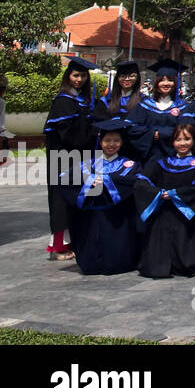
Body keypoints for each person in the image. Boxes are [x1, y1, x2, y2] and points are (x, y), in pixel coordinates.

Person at [58, 118, 143, 275]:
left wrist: (107, 181)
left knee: (116, 249)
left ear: (122, 142)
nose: (112, 144)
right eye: (107, 140)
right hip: (92, 216)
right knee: (92, 253)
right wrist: (89, 181)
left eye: (116, 140)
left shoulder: (128, 164)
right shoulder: (87, 163)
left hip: (116, 216)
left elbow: (134, 182)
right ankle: (92, 263)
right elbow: (64, 178)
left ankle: (118, 263)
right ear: (100, 141)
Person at [135, 122, 195, 278]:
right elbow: (142, 182)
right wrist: (158, 193)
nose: (182, 143)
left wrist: (176, 194)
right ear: (172, 142)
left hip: (185, 213)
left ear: (194, 141)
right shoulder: (161, 163)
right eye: (178, 139)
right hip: (163, 210)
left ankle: (183, 265)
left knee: (183, 240)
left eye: (187, 139)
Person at [44, 56, 98, 260]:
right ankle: (59, 247)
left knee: (76, 199)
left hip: (79, 158)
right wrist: (92, 133)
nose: (80, 79)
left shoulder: (81, 100)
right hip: (63, 158)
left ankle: (73, 242)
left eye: (83, 75)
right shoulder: (63, 101)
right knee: (61, 200)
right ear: (68, 76)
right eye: (76, 75)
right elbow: (66, 134)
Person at [130, 59, 188, 162]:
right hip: (147, 157)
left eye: (170, 80)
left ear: (175, 83)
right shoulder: (145, 105)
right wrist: (153, 133)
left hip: (173, 158)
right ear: (157, 82)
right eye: (162, 80)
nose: (166, 84)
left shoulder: (183, 106)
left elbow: (185, 130)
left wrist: (160, 133)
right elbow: (133, 128)